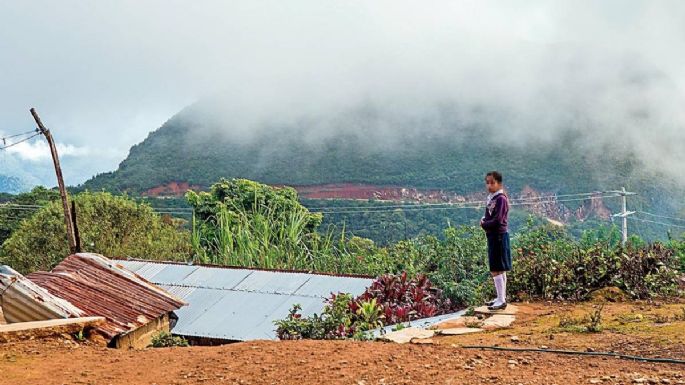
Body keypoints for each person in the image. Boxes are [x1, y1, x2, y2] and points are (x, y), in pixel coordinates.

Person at [480, 171, 511, 310]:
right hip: (494, 235)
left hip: (498, 235)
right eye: (487, 182)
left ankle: (501, 299)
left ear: (499, 183)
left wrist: (484, 224)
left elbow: (498, 220)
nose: (489, 185)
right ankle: (500, 298)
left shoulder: (501, 199)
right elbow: (491, 215)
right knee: (499, 268)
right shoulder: (492, 198)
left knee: (496, 268)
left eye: (492, 182)